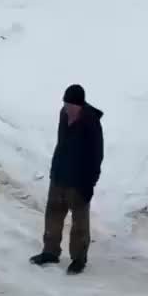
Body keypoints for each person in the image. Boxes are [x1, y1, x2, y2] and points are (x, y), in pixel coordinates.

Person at [31, 84, 103, 275]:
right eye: (65, 104)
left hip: (79, 182)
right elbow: (62, 144)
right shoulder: (64, 115)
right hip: (60, 176)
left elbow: (96, 156)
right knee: (53, 214)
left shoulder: (91, 123)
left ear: (80, 105)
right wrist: (56, 170)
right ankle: (50, 251)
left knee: (80, 223)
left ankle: (79, 259)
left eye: (71, 105)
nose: (67, 108)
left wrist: (89, 184)